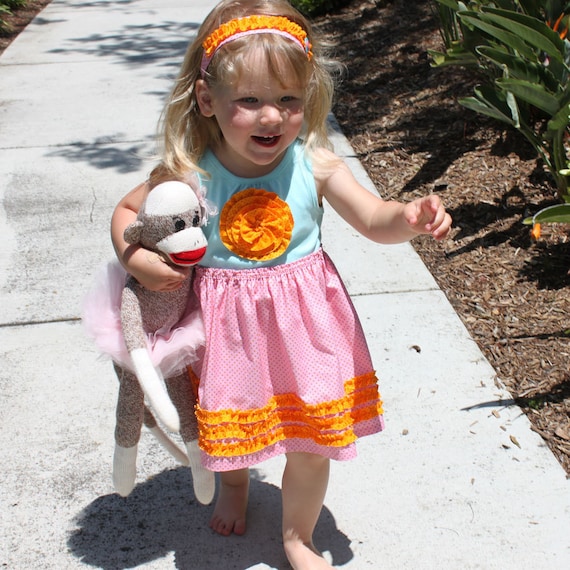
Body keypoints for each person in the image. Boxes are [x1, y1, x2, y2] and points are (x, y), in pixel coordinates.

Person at [111, 1, 452, 568]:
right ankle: (238, 486)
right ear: (207, 100)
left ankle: (298, 535)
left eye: (288, 100)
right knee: (235, 425)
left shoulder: (313, 162)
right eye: (249, 101)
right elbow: (127, 213)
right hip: (227, 332)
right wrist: (137, 257)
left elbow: (373, 219)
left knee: (314, 439)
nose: (271, 117)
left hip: (306, 331)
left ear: (307, 99)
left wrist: (409, 219)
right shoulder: (191, 171)